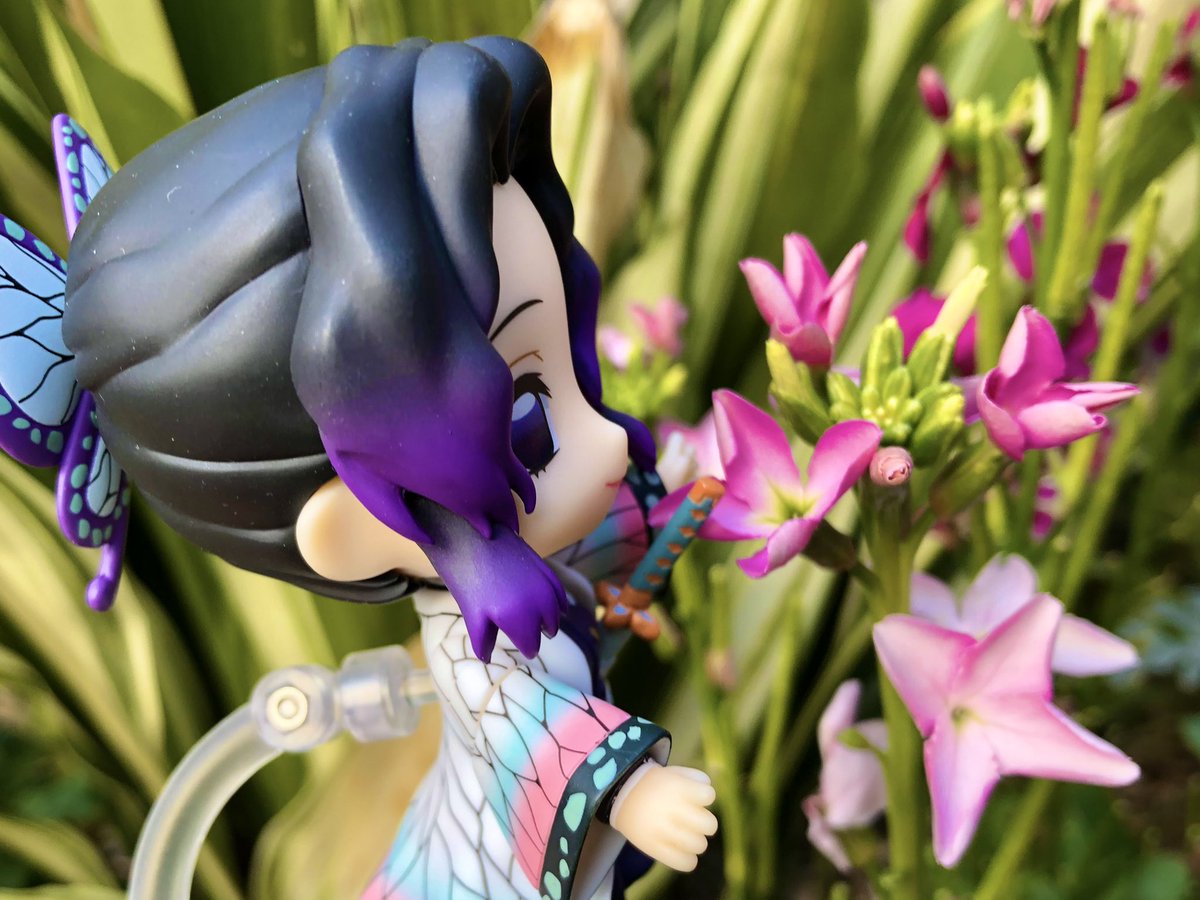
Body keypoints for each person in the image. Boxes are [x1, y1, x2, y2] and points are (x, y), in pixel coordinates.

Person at [0, 36, 716, 899]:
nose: (605, 441)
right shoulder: (479, 657)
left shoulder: (507, 590)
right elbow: (527, 734)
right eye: (529, 409)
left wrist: (660, 513)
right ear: (352, 532)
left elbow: (587, 572)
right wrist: (633, 793)